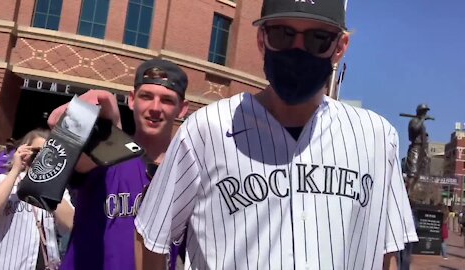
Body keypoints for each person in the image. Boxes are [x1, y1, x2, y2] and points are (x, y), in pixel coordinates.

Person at [134, 1, 418, 269]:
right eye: (282, 35)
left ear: (340, 46)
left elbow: (387, 251)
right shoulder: (206, 130)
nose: (298, 50)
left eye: (318, 39)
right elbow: (151, 236)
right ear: (261, 39)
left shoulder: (378, 138)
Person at [47, 58, 189, 270]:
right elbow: (62, 135)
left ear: (182, 109)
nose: (155, 108)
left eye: (167, 100)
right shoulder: (106, 151)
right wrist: (87, 118)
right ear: (132, 100)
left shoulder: (188, 173)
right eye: (146, 97)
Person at [0, 128, 74, 269]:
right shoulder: (4, 181)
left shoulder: (58, 189)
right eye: (37, 151)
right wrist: (15, 169)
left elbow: (70, 225)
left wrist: (50, 180)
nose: (41, 157)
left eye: (47, 153)